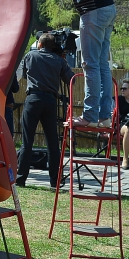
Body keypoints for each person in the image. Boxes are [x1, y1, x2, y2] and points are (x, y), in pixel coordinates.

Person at [24, 0, 116, 129]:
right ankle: (104, 116)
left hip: (94, 12)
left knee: (90, 65)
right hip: (106, 9)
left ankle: (90, 116)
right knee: (101, 65)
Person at [16, 33, 74, 188]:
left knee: (27, 140)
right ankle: (55, 181)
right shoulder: (58, 60)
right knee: (52, 142)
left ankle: (21, 179)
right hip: (50, 100)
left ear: (40, 44)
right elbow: (71, 80)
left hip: (33, 98)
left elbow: (23, 74)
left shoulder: (31, 55)